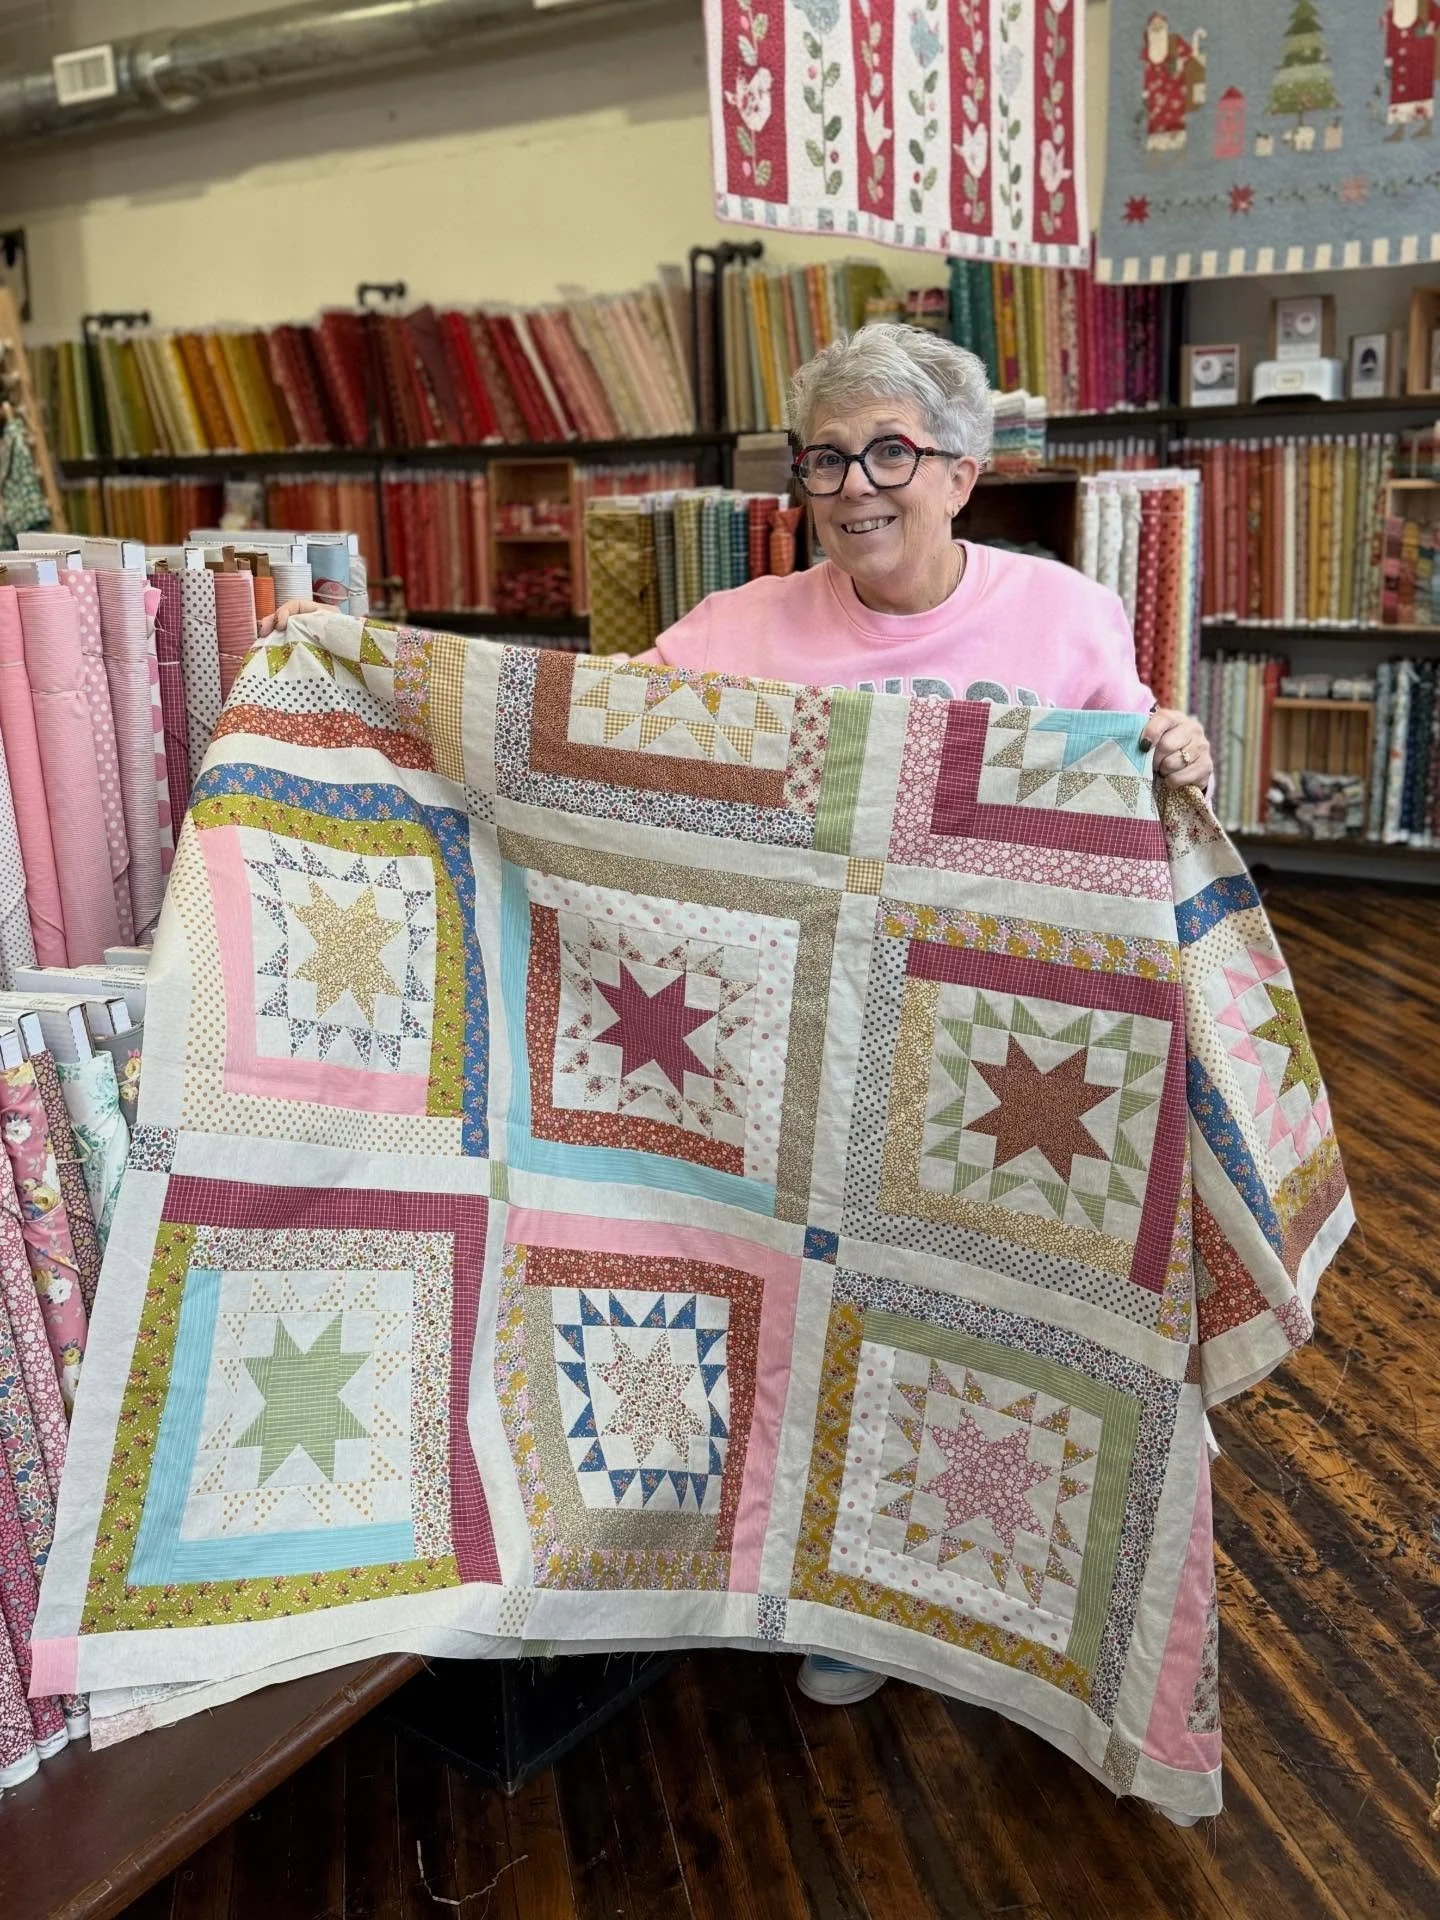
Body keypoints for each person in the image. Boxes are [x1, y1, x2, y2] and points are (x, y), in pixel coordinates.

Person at [261, 323, 1214, 1708]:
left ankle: (968, 1587)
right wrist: (361, 664)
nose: (856, 484)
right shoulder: (737, 631)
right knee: (807, 1323)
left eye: (892, 449)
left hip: (980, 1067)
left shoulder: (1062, 614)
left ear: (964, 470)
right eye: (825, 458)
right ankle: (831, 1598)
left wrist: (1170, 747)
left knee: (966, 1319)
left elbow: (1122, 787)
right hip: (777, 1059)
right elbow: (566, 730)